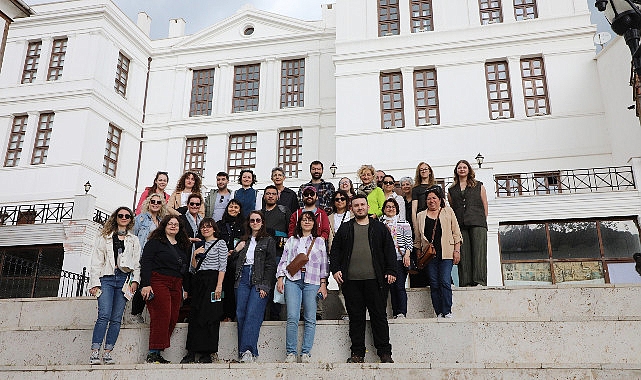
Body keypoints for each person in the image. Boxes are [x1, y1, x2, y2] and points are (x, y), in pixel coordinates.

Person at [330, 194, 396, 364]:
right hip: (351, 282)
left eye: (362, 204)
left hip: (375, 281)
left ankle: (384, 353)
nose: (359, 207)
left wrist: (391, 270)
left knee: (379, 317)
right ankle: (357, 353)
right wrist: (336, 270)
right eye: (356, 205)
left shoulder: (379, 228)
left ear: (368, 207)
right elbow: (335, 252)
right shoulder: (345, 228)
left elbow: (389, 250)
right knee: (356, 319)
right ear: (351, 208)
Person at [89, 206, 141, 365]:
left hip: (124, 280)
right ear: (115, 217)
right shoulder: (104, 237)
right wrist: (94, 283)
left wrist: (135, 281)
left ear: (131, 220)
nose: (124, 218)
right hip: (107, 278)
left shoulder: (134, 240)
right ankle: (95, 351)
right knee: (104, 314)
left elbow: (137, 264)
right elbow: (96, 261)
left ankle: (108, 352)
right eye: (121, 215)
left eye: (127, 216)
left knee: (117, 318)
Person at [276, 211, 329, 363]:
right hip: (293, 279)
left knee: (310, 317)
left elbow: (324, 264)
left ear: (314, 223)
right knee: (292, 316)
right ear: (299, 223)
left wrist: (323, 284)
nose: (306, 222)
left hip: (312, 281)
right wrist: (280, 278)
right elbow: (284, 260)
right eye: (304, 219)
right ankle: (291, 353)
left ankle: (306, 352)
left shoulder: (319, 241)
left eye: (310, 220)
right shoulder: (291, 240)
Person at [140, 215, 191, 364]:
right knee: (162, 315)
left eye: (176, 224)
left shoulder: (183, 246)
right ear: (164, 226)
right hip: (158, 280)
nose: (173, 226)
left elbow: (185, 269)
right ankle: (153, 352)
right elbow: (146, 263)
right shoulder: (155, 243)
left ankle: (158, 350)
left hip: (176, 283)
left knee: (173, 317)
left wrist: (185, 288)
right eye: (170, 223)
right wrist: (146, 284)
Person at [232, 210, 277, 363]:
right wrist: (236, 251)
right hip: (242, 278)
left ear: (262, 222)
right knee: (241, 314)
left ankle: (247, 351)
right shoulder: (242, 240)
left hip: (259, 279)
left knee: (253, 313)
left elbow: (271, 265)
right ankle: (248, 352)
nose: (255, 223)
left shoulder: (268, 240)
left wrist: (265, 285)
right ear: (248, 223)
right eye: (252, 220)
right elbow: (231, 262)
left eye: (258, 220)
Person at [181, 218, 228, 364]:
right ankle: (191, 351)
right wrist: (195, 255)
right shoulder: (198, 245)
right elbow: (194, 267)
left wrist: (219, 285)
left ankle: (207, 352)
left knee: (211, 315)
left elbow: (222, 266)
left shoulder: (221, 243)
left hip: (214, 280)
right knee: (195, 315)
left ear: (214, 229)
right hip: (200, 280)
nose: (205, 229)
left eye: (208, 227)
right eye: (203, 227)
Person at [415, 187, 462, 318]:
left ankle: (447, 311)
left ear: (440, 199)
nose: (431, 201)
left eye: (434, 198)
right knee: (434, 283)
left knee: (445, 281)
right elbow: (418, 237)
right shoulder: (420, 215)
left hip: (446, 252)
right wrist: (419, 253)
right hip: (429, 255)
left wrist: (457, 250)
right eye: (429, 199)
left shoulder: (448, 211)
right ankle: (439, 312)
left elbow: (456, 233)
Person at [447, 159, 488, 287]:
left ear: (469, 170)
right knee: (463, 254)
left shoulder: (479, 185)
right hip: (460, 224)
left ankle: (479, 281)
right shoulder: (451, 190)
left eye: (464, 167)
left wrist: (483, 219)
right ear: (456, 171)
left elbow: (485, 204)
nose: (462, 169)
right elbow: (453, 207)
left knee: (479, 252)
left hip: (478, 222)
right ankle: (465, 282)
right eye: (459, 167)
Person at [130, 194, 169, 324]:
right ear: (148, 202)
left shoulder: (161, 222)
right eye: (153, 201)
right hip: (142, 256)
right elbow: (132, 238)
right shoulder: (140, 219)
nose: (155, 204)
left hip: (156, 258)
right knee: (142, 282)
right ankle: (135, 313)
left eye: (158, 202)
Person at [262, 185, 292, 321]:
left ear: (277, 196)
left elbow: (290, 232)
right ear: (264, 196)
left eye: (273, 194)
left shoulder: (284, 211)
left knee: (277, 282)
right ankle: (261, 313)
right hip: (261, 254)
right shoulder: (259, 214)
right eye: (268, 193)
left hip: (279, 253)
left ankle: (275, 315)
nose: (270, 196)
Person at [380, 198, 412, 319]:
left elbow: (409, 241)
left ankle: (402, 312)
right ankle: (395, 313)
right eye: (388, 206)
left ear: (397, 209)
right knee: (391, 288)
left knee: (399, 286)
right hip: (386, 261)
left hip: (400, 258)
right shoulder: (380, 224)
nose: (391, 209)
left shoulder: (403, 223)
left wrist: (407, 255)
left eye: (393, 207)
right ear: (384, 209)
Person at [217, 199, 246, 322]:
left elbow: (246, 242)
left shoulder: (244, 225)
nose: (233, 209)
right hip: (221, 261)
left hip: (236, 262)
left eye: (236, 207)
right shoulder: (219, 224)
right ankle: (220, 313)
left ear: (240, 210)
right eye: (231, 207)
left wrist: (235, 252)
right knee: (221, 288)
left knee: (233, 289)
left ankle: (231, 314)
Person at [409, 162, 436, 288]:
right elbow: (414, 209)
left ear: (430, 171)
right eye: (421, 170)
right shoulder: (416, 189)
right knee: (422, 251)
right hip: (421, 221)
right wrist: (415, 227)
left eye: (426, 169)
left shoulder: (436, 187)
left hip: (434, 221)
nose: (424, 171)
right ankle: (424, 280)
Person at [328, 189, 352, 320]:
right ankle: (345, 312)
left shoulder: (352, 215)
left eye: (342, 199)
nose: (340, 201)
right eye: (337, 199)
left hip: (352, 254)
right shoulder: (329, 218)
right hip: (337, 254)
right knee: (341, 284)